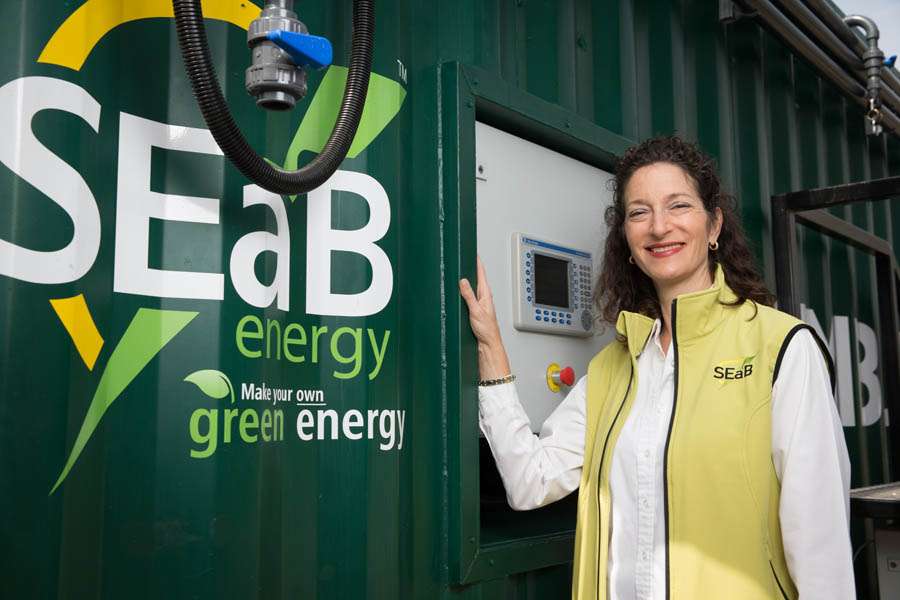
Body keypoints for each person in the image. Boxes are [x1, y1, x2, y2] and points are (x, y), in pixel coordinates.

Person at [459, 135, 854, 599]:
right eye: (639, 212)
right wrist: (491, 346)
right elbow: (530, 482)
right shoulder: (613, 367)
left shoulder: (782, 349)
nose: (659, 227)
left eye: (678, 205)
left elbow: (821, 548)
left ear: (714, 225)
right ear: (627, 239)